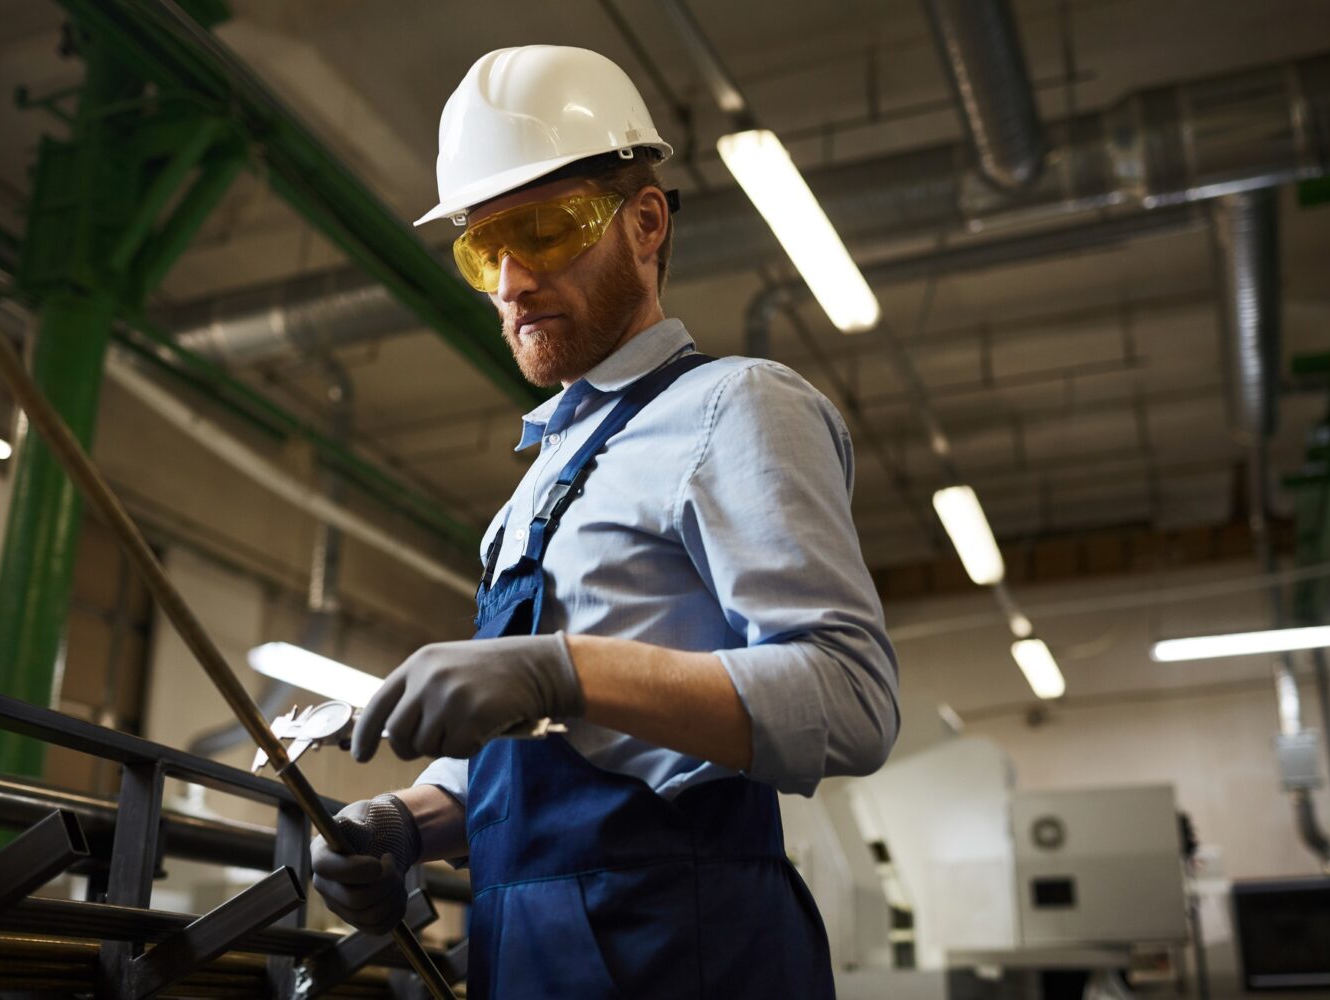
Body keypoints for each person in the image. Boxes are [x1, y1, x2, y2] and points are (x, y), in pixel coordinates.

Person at [309, 44, 899, 999]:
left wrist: (563, 669)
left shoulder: (736, 407)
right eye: (482, 251)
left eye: (543, 230)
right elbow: (547, 759)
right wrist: (410, 823)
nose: (511, 282)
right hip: (527, 947)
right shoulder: (533, 491)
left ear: (646, 222)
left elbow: (851, 699)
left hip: (683, 948)